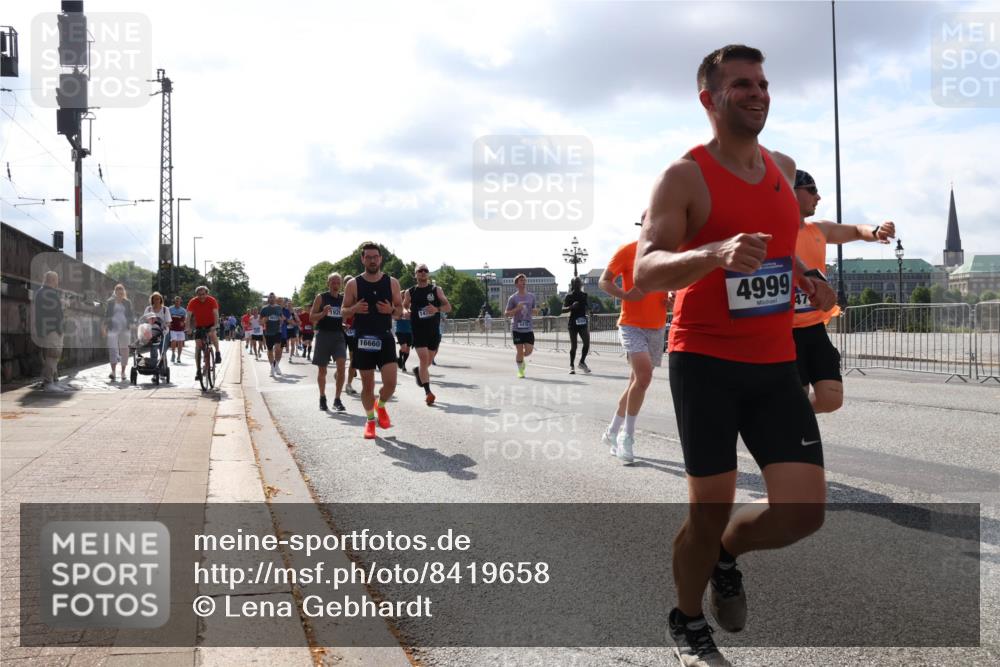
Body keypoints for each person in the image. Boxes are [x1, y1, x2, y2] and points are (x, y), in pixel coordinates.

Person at [633, 44, 836, 667]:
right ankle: (687, 617)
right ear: (709, 99)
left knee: (803, 513)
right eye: (741, 84)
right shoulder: (684, 176)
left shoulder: (780, 166)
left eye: (763, 83)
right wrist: (713, 254)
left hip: (775, 362)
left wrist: (804, 273)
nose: (757, 92)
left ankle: (726, 553)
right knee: (708, 506)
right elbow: (646, 267)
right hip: (707, 363)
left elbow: (776, 245)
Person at [793, 170, 896, 413]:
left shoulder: (818, 229)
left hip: (815, 327)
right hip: (784, 330)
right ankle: (791, 428)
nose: (818, 197)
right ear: (790, 191)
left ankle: (787, 416)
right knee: (796, 398)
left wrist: (876, 230)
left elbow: (855, 230)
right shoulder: (771, 232)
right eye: (812, 189)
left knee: (831, 399)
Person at [599, 227, 672, 464]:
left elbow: (669, 289)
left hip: (657, 325)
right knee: (644, 377)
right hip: (631, 324)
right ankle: (626, 436)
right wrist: (625, 295)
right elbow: (604, 281)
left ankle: (611, 430)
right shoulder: (628, 250)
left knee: (635, 382)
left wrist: (670, 299)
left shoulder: (666, 253)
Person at [341, 243, 403, 439]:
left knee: (391, 384)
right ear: (363, 259)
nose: (372, 260)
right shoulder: (353, 284)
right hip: (363, 338)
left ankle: (381, 405)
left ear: (380, 258)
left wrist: (391, 311)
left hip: (384, 337)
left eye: (375, 256)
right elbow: (343, 312)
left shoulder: (391, 282)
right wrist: (354, 309)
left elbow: (401, 310)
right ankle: (370, 421)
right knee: (368, 386)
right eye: (368, 257)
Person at [403, 263, 452, 405]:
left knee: (427, 362)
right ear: (415, 274)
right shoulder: (410, 292)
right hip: (418, 330)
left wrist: (436, 309)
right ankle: (428, 393)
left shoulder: (436, 290)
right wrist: (406, 312)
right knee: (424, 360)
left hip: (433, 331)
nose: (423, 273)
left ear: (428, 274)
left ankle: (419, 371)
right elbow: (404, 307)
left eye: (425, 271)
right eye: (420, 271)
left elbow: (448, 307)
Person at [309, 272, 348, 412]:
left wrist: (343, 324)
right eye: (333, 282)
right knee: (322, 370)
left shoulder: (343, 299)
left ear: (341, 284)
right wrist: (323, 313)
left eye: (338, 282)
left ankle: (337, 399)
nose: (336, 285)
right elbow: (312, 317)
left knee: (342, 366)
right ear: (328, 283)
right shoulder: (321, 297)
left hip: (338, 335)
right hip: (323, 335)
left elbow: (343, 316)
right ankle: (322, 397)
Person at [33, 270, 67, 392]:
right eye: (56, 279)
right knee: (52, 355)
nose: (58, 282)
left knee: (52, 355)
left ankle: (54, 381)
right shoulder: (48, 293)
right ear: (52, 280)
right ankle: (48, 383)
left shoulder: (43, 292)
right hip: (51, 329)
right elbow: (53, 313)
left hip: (49, 329)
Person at [186, 285, 223, 381]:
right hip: (199, 325)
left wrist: (215, 325)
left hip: (210, 323)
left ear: (207, 293)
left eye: (203, 294)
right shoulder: (193, 302)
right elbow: (188, 316)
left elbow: (216, 313)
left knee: (212, 334)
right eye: (199, 295)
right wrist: (188, 327)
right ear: (196, 295)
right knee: (198, 347)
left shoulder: (212, 300)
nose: (201, 296)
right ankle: (198, 370)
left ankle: (217, 352)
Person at [504, 274, 537, 378]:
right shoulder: (513, 298)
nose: (523, 282)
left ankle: (521, 359)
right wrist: (516, 309)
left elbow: (534, 310)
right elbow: (506, 313)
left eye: (524, 280)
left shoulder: (531, 296)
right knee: (519, 351)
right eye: (521, 281)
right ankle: (520, 370)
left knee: (528, 351)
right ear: (516, 284)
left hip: (528, 328)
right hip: (516, 328)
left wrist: (535, 311)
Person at [103, 284, 134, 382]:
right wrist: (104, 327)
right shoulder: (110, 302)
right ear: (115, 292)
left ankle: (123, 372)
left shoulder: (127, 302)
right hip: (113, 328)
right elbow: (107, 315)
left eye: (121, 291)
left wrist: (132, 324)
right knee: (112, 349)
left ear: (123, 292)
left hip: (125, 329)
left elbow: (130, 315)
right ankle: (113, 372)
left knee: (125, 351)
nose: (120, 293)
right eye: (118, 291)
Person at [562, 277, 591, 374]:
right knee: (574, 346)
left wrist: (591, 311)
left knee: (587, 343)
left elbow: (587, 307)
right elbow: (563, 309)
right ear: (573, 284)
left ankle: (582, 362)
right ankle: (571, 365)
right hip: (573, 323)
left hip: (583, 322)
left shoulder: (584, 295)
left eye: (580, 282)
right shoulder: (568, 296)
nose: (579, 284)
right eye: (577, 283)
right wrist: (571, 307)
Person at [140, 292, 171, 371]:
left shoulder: (165, 309)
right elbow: (145, 319)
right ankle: (154, 369)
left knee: (162, 351)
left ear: (161, 299)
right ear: (152, 300)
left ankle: (163, 369)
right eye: (154, 299)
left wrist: (164, 326)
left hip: (164, 333)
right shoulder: (149, 309)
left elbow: (168, 322)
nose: (156, 300)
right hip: (152, 333)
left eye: (158, 299)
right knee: (153, 351)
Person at [260, 292, 286, 376]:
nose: (271, 299)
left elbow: (282, 318)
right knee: (270, 350)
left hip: (278, 331)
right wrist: (265, 319)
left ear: (275, 299)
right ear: (268, 299)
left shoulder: (278, 308)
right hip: (268, 332)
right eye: (270, 297)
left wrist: (281, 319)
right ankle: (272, 368)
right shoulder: (264, 309)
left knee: (278, 349)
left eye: (273, 297)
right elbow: (260, 321)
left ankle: (276, 365)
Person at [168, 296, 188, 364]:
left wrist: (184, 323)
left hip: (181, 329)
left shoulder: (183, 310)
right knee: (173, 340)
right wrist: (169, 323)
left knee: (180, 343)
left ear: (180, 301)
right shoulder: (170, 309)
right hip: (173, 328)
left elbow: (185, 319)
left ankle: (179, 357)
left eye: (178, 301)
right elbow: (167, 317)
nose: (177, 302)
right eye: (176, 301)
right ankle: (173, 353)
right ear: (174, 301)